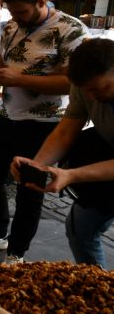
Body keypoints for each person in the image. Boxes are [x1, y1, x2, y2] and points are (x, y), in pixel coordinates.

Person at [0, 0, 88, 264]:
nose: (15, 18)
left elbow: (74, 83)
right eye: (11, 12)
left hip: (44, 125)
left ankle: (16, 253)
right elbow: (2, 65)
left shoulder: (71, 30)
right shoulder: (10, 27)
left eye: (21, 12)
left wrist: (18, 79)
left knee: (30, 189)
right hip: (6, 115)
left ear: (41, 2)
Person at [11, 38, 114, 268]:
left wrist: (72, 175)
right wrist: (37, 165)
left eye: (99, 89)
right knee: (81, 230)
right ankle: (98, 289)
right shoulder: (85, 86)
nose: (92, 97)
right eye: (86, 91)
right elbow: (66, 131)